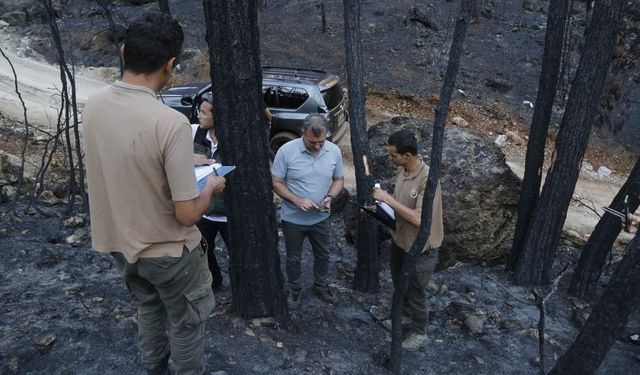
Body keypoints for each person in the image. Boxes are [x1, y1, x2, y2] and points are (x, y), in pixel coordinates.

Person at [82, 12, 225, 375]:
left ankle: (154, 369)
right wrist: (209, 187)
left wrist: (181, 157)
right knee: (186, 321)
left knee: (148, 307)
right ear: (171, 64)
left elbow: (128, 156)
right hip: (168, 252)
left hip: (120, 244)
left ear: (124, 52)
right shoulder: (170, 123)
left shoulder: (95, 104)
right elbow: (188, 214)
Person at [372, 129, 444, 351]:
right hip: (400, 241)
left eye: (393, 155)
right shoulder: (402, 171)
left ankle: (420, 331)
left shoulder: (428, 180)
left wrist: (387, 199)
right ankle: (403, 317)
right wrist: (378, 209)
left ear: (408, 155)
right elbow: (399, 205)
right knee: (400, 284)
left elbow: (418, 219)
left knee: (415, 291)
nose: (390, 158)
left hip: (421, 249)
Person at [271, 114, 344, 305]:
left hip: (321, 217)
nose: (318, 146)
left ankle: (320, 285)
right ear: (302, 132)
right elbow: (276, 183)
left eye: (321, 141)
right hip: (293, 219)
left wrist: (330, 196)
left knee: (323, 254)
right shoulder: (286, 151)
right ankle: (294, 288)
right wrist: (297, 200)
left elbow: (338, 180)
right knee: (294, 257)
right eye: (312, 142)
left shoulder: (334, 151)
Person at [191, 99, 228, 291]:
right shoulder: (193, 132)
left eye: (204, 113)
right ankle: (215, 283)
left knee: (239, 253)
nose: (199, 115)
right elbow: (169, 154)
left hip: (230, 212)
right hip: (204, 209)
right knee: (203, 251)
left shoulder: (233, 137)